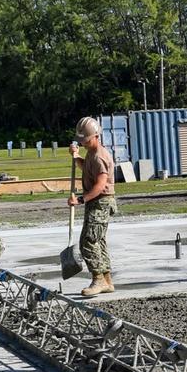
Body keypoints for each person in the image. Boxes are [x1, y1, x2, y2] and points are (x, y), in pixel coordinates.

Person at [69, 116, 116, 297]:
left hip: (100, 202)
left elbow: (101, 185)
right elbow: (86, 168)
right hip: (97, 202)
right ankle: (106, 280)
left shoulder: (99, 157)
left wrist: (81, 200)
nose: (85, 144)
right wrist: (76, 157)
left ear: (96, 136)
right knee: (98, 241)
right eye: (82, 142)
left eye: (87, 141)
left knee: (88, 241)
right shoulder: (91, 154)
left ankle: (98, 280)